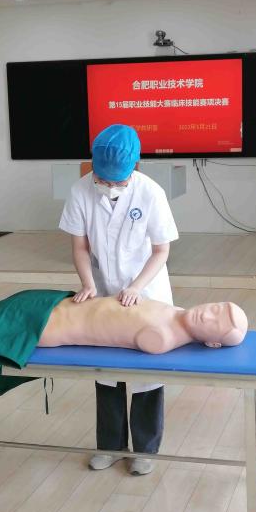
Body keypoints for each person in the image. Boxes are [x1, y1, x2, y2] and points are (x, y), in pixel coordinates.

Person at [59, 123, 179, 475]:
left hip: (147, 292)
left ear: (133, 167)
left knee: (146, 374)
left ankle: (146, 450)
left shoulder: (150, 192)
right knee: (106, 372)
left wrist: (137, 287)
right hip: (103, 290)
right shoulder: (80, 191)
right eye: (104, 180)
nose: (110, 186)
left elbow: (161, 250)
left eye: (118, 182)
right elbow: (80, 247)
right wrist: (88, 283)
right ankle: (110, 446)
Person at [39, 295, 248, 354]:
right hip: (63, 302)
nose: (206, 316)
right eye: (215, 310)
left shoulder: (162, 338)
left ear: (212, 343)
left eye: (214, 325)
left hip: (50, 325)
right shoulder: (177, 312)